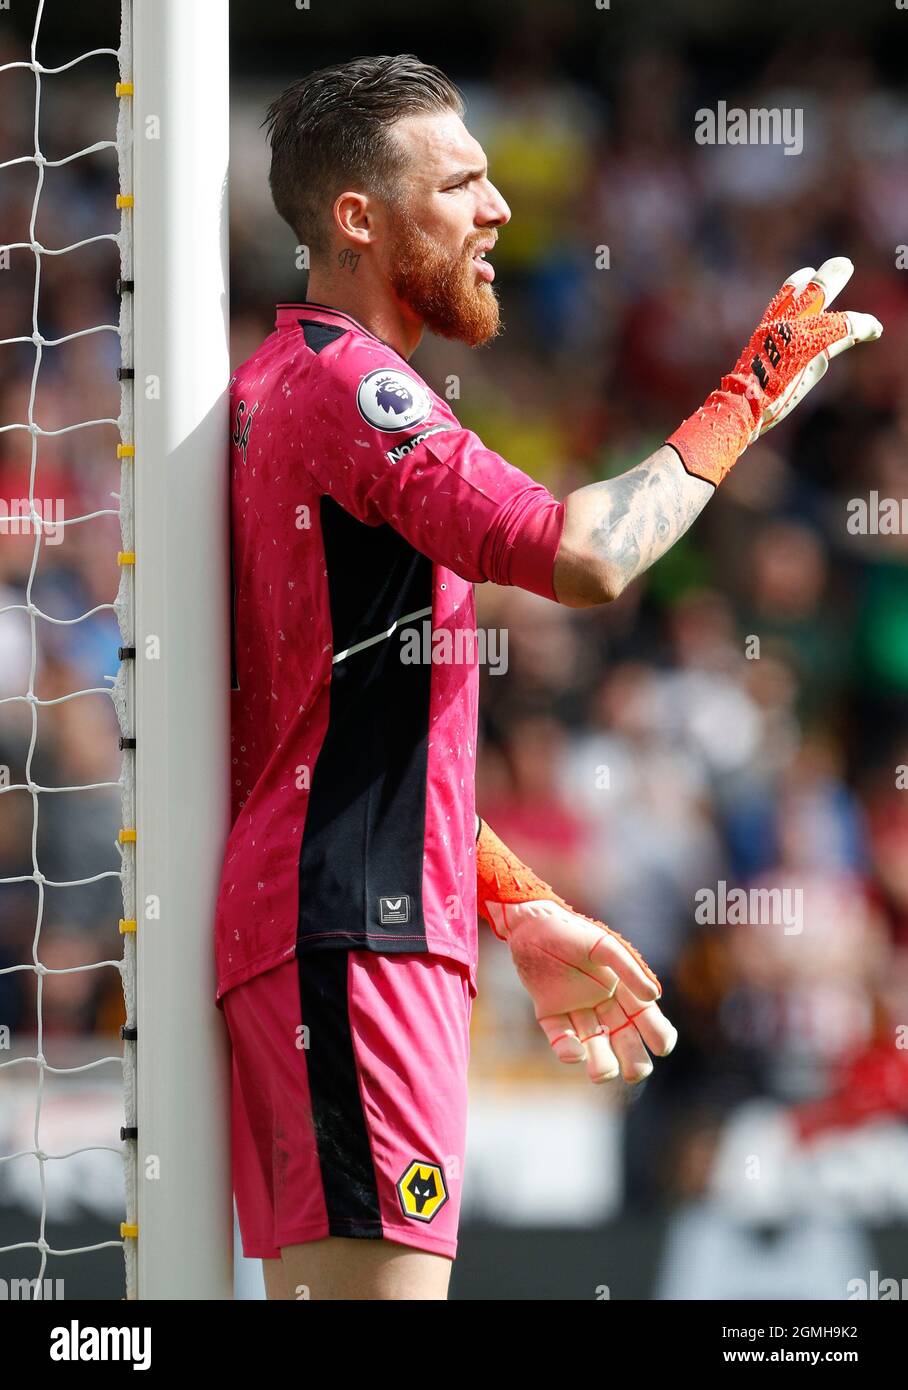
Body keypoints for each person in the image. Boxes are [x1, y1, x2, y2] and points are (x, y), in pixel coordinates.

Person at [215, 53, 882, 1301]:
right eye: (460, 182)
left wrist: (511, 899)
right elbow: (582, 555)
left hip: (335, 925)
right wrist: (745, 398)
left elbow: (328, 725)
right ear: (355, 217)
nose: (500, 208)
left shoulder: (275, 386)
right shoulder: (354, 385)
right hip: (358, 945)